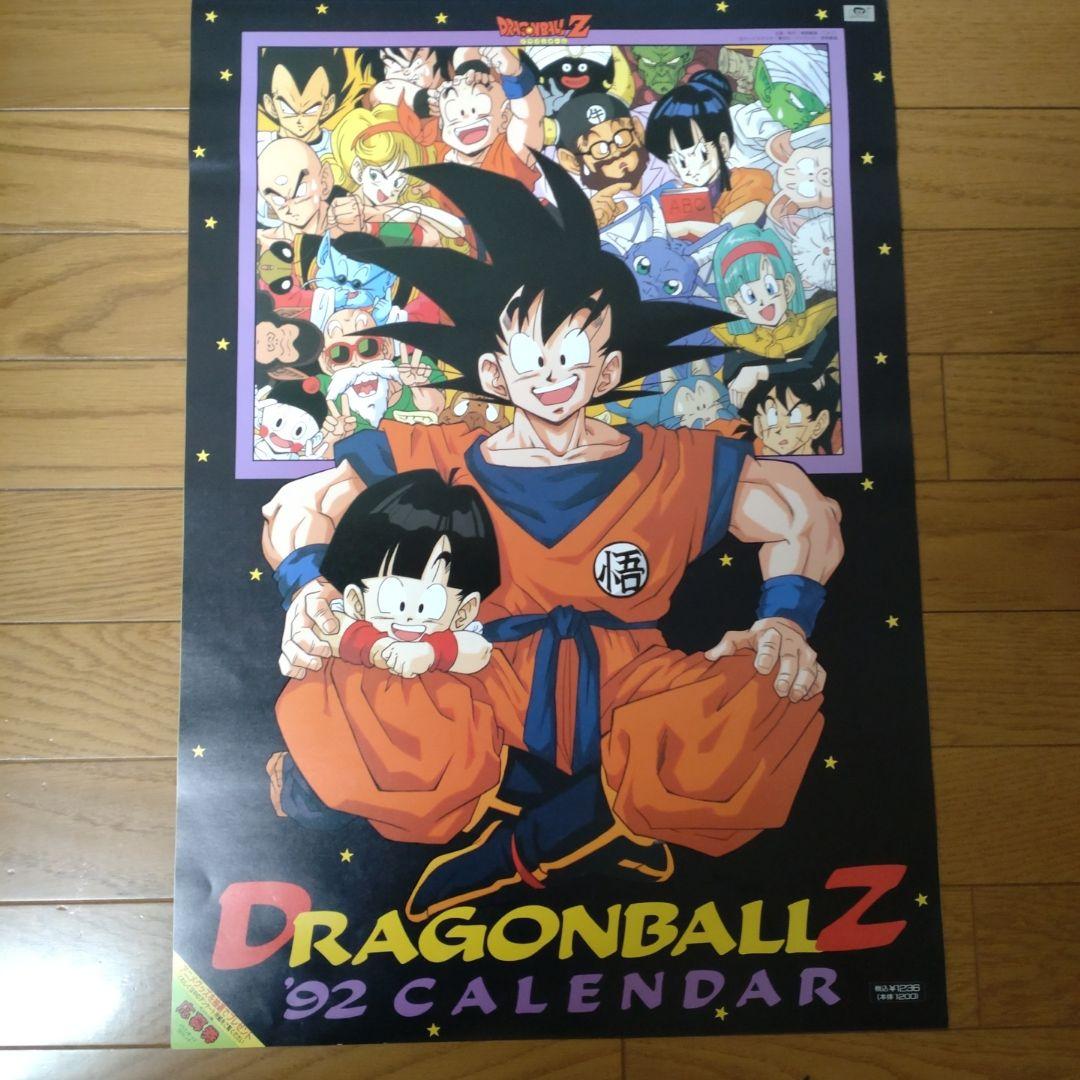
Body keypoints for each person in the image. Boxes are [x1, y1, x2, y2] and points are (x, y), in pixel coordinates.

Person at [264, 156, 842, 920]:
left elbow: (802, 510)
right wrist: (306, 585)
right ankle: (592, 823)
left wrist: (785, 620)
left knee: (769, 691)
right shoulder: (434, 452)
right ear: (493, 371)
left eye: (573, 355)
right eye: (533, 356)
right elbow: (303, 502)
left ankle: (525, 841)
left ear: (607, 368)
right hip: (476, 681)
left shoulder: (676, 463)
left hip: (638, 695)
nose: (553, 375)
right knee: (355, 683)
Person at [644, 70, 773, 237]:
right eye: (680, 162)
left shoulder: (752, 182)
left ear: (723, 146)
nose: (691, 169)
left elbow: (730, 231)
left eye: (702, 155)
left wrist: (688, 227)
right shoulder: (684, 195)